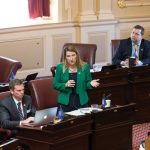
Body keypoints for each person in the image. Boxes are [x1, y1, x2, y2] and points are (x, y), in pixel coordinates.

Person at [53, 45, 100, 112]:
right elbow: (55, 84)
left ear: (77, 55)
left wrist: (90, 83)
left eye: (73, 55)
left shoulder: (85, 67)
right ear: (65, 57)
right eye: (68, 56)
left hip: (81, 101)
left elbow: (87, 84)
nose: (71, 58)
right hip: (65, 103)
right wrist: (65, 85)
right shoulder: (60, 67)